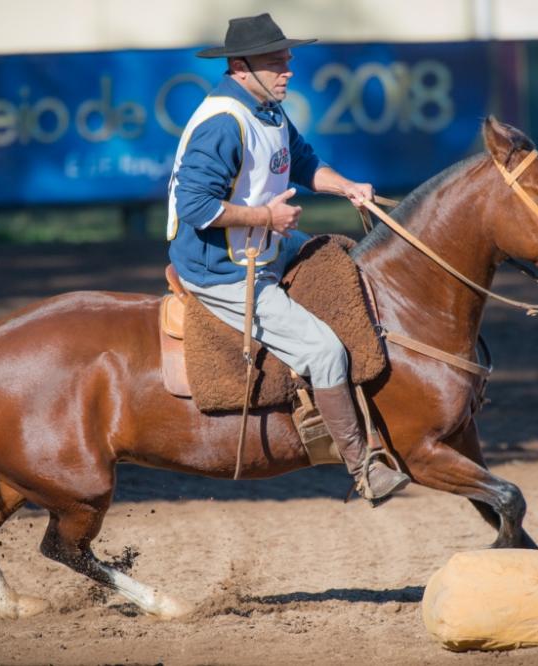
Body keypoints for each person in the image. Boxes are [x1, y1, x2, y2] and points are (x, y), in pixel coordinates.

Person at [166, 13, 410, 503]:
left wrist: (346, 188)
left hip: (266, 244)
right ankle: (363, 469)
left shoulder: (269, 109)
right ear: (240, 67)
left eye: (287, 58)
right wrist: (264, 219)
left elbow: (302, 160)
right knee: (323, 351)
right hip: (222, 269)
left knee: (348, 266)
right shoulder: (222, 123)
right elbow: (194, 207)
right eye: (276, 61)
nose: (288, 69)